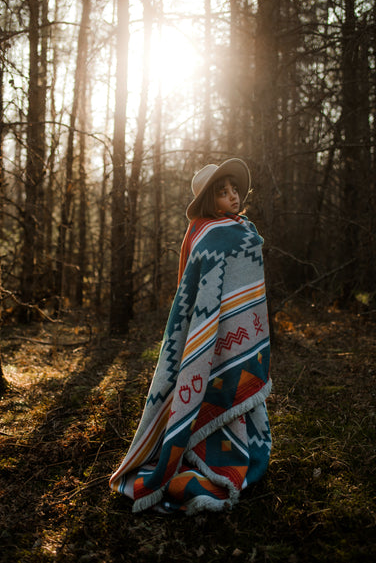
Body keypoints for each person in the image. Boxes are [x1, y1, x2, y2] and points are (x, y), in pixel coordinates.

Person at [109, 158, 272, 515]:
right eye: (222, 192)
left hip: (241, 337)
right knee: (210, 389)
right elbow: (195, 292)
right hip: (209, 336)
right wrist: (208, 333)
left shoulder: (246, 229)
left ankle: (240, 451)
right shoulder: (206, 235)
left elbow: (250, 286)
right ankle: (201, 458)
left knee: (236, 394)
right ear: (208, 202)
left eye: (234, 191)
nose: (232, 196)